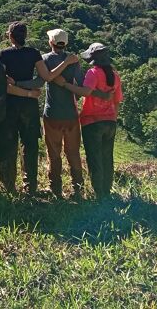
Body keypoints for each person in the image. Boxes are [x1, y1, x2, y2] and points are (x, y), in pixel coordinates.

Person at [0, 21, 79, 195]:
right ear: (25, 36)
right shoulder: (33, 53)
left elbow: (0, 82)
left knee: (8, 144)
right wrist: (29, 92)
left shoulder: (3, 54)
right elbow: (45, 78)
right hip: (29, 106)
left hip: (9, 105)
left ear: (10, 36)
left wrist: (16, 86)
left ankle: (8, 186)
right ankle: (30, 186)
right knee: (30, 145)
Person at [40, 28, 108, 200]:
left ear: (51, 42)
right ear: (66, 43)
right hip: (71, 113)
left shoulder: (45, 59)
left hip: (52, 112)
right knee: (73, 153)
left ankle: (55, 188)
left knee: (53, 153)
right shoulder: (74, 61)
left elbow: (43, 80)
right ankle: (78, 188)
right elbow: (79, 85)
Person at [61, 42, 123, 201]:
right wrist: (113, 119)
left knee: (94, 158)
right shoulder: (114, 75)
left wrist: (66, 85)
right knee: (106, 158)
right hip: (110, 122)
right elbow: (117, 102)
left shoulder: (93, 73)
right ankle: (107, 192)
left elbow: (85, 92)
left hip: (92, 122)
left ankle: (99, 194)